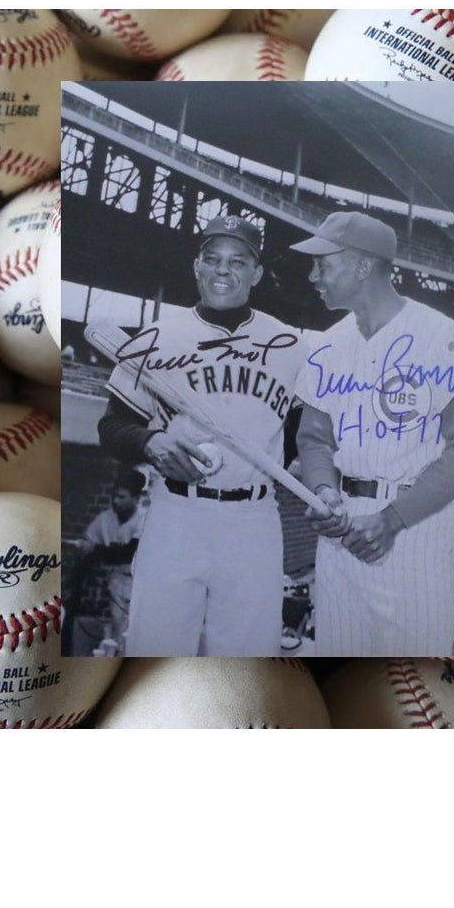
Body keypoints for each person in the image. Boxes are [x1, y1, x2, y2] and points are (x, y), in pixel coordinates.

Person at [93, 215, 308, 656]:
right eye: (212, 259)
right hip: (176, 513)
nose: (223, 270)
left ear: (257, 273)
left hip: (253, 520)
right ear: (197, 266)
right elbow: (112, 427)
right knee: (155, 653)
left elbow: (302, 437)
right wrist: (149, 442)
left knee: (245, 660)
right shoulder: (158, 337)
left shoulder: (288, 345)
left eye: (237, 261)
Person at [290, 211, 454, 656]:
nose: (312, 276)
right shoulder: (325, 345)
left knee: (412, 687)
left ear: (362, 266)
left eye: (323, 264)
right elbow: (314, 439)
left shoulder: (440, 335)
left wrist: (392, 519)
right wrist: (324, 492)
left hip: (416, 524)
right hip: (342, 528)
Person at [60, 467, 147, 656]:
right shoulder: (105, 518)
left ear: (136, 498)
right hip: (117, 579)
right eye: (114, 496)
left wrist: (96, 550)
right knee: (117, 629)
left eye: (122, 497)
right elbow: (88, 547)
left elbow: (129, 553)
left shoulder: (144, 518)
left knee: (136, 630)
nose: (116, 501)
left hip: (142, 581)